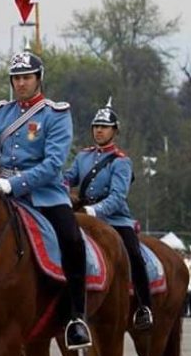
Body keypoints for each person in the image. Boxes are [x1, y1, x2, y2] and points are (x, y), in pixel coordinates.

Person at [0, 51, 91, 350]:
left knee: (72, 240)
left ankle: (76, 317)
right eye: (16, 78)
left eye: (26, 77)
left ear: (38, 79)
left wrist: (12, 184)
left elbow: (54, 164)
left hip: (43, 194)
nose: (21, 84)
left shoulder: (55, 114)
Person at [64, 100, 153, 331]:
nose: (99, 130)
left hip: (114, 218)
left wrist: (93, 211)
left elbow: (118, 197)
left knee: (134, 254)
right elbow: (69, 177)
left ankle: (144, 306)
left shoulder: (122, 161)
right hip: (82, 214)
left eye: (104, 127)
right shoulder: (83, 156)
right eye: (96, 126)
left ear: (114, 131)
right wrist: (60, 186)